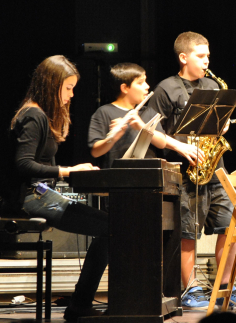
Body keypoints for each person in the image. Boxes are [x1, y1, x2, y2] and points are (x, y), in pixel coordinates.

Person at [4, 55, 108, 322]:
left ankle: (82, 302)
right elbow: (23, 165)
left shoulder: (41, 115)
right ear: (52, 85)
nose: (71, 95)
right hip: (27, 198)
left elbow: (41, 167)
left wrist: (71, 171)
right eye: (68, 88)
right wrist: (66, 171)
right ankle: (80, 304)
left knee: (113, 225)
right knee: (111, 227)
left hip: (40, 193)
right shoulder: (33, 115)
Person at [148, 31, 236, 309]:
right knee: (188, 232)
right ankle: (190, 289)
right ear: (183, 57)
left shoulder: (214, 85)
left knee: (231, 228)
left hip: (216, 169)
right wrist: (181, 148)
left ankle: (225, 286)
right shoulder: (166, 88)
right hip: (186, 171)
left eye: (208, 56)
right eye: (201, 56)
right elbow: (150, 130)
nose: (206, 61)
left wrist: (223, 124)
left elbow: (220, 122)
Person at [88, 62, 167, 167]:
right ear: (125, 88)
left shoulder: (148, 112)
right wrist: (113, 137)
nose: (147, 86)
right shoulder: (104, 112)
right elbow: (95, 152)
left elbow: (162, 143)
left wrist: (143, 127)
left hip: (147, 176)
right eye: (140, 83)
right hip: (116, 177)